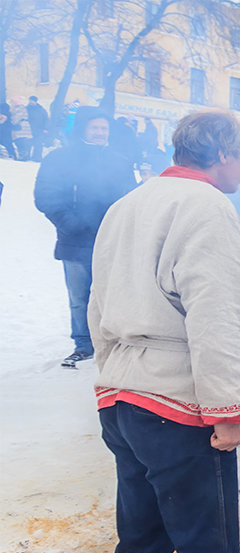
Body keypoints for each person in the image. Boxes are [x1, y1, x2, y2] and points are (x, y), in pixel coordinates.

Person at [89, 109, 240, 553]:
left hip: (124, 398)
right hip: (180, 406)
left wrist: (109, 381)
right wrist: (228, 408)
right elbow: (214, 312)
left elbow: (97, 306)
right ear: (220, 152)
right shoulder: (207, 207)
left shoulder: (128, 203)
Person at [34, 107, 138, 368]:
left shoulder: (119, 160)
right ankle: (83, 344)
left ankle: (112, 341)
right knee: (80, 297)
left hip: (112, 240)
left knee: (112, 294)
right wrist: (71, 224)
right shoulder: (60, 159)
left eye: (104, 128)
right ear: (82, 129)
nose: (100, 132)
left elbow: (131, 197)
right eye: (95, 127)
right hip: (75, 240)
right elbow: (46, 196)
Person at [25, 96, 48, 161]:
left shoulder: (41, 110)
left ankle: (37, 158)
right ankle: (26, 156)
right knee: (27, 144)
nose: (30, 102)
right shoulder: (26, 109)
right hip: (28, 130)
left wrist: (46, 128)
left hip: (39, 130)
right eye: (30, 100)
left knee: (38, 144)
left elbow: (46, 119)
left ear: (35, 101)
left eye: (32, 100)